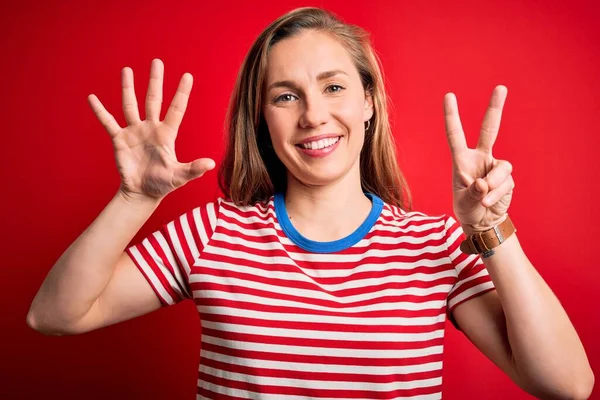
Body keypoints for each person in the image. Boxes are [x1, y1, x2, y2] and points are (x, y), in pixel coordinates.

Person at [27, 7, 593, 400]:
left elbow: (567, 384)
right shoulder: (211, 233)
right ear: (262, 117)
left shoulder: (436, 246)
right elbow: (54, 316)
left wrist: (493, 228)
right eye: (285, 95)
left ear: (369, 101)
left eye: (334, 86)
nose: (313, 115)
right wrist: (132, 198)